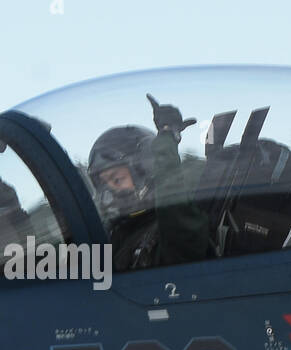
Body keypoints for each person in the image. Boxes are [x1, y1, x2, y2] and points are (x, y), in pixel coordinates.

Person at [86, 95, 210, 271]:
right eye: (103, 184)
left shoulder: (175, 229)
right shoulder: (115, 235)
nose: (109, 192)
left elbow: (172, 205)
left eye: (117, 180)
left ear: (147, 173)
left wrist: (167, 138)